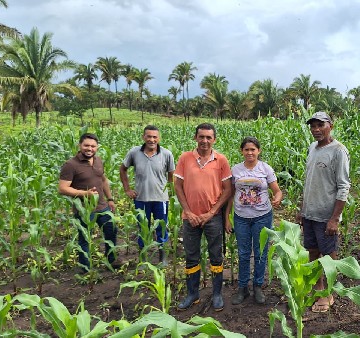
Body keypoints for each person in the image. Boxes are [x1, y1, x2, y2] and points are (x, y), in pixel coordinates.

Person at [174, 123, 232, 311]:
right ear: (195, 138)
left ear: (214, 140)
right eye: (201, 137)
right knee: (191, 257)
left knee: (216, 256)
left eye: (209, 137)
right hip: (190, 218)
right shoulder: (185, 158)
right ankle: (193, 294)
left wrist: (212, 212)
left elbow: (228, 189)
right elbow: (178, 186)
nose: (205, 141)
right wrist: (189, 212)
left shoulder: (221, 160)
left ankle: (216, 295)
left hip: (212, 217)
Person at [296, 111, 350, 313]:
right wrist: (302, 208)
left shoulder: (338, 151)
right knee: (312, 252)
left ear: (331, 126)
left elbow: (343, 187)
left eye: (321, 125)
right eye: (313, 126)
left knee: (328, 255)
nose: (316, 130)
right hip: (309, 213)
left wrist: (335, 219)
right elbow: (309, 180)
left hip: (326, 216)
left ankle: (328, 293)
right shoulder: (312, 148)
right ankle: (317, 288)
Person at [225, 137, 283, 305]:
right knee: (243, 253)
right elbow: (229, 195)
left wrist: (277, 199)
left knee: (260, 253)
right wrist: (227, 217)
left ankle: (257, 286)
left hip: (262, 216)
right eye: (246, 150)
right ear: (241, 151)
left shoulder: (265, 169)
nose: (250, 153)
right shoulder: (235, 170)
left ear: (259, 151)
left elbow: (277, 191)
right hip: (241, 218)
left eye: (253, 149)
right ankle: (243, 288)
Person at [59, 133, 123, 273]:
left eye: (93, 146)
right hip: (84, 209)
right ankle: (85, 268)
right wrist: (85, 194)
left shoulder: (98, 160)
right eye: (86, 145)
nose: (89, 149)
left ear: (97, 147)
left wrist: (110, 199)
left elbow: (103, 180)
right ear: (79, 146)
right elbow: (63, 188)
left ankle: (111, 259)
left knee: (111, 230)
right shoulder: (71, 165)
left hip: (102, 206)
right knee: (84, 238)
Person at [119, 125, 175, 267]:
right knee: (143, 228)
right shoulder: (134, 152)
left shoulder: (167, 154)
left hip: (161, 199)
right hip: (141, 198)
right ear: (143, 137)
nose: (152, 139)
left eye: (154, 137)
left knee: (161, 228)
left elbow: (171, 176)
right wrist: (127, 189)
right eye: (149, 136)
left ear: (159, 138)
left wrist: (169, 192)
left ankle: (162, 258)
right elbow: (123, 169)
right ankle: (143, 259)